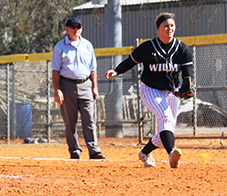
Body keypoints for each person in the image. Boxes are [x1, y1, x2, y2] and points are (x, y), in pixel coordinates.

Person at [105, 12, 193, 168]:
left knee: (167, 130)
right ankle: (172, 153)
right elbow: (130, 62)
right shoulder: (148, 47)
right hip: (150, 89)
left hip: (171, 92)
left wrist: (186, 86)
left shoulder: (182, 48)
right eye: (165, 26)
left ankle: (144, 153)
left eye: (172, 26)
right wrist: (116, 71)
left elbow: (188, 72)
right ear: (158, 29)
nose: (169, 29)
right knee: (165, 117)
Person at [52, 16, 105, 160]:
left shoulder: (87, 45)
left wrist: (95, 87)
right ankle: (74, 149)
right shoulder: (60, 47)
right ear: (67, 29)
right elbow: (55, 70)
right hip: (67, 85)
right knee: (70, 120)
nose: (76, 30)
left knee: (89, 118)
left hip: (85, 84)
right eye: (73, 27)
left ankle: (94, 150)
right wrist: (57, 90)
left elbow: (92, 68)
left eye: (79, 27)